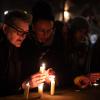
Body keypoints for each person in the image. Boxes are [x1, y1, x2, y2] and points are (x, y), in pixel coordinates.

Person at [0, 10, 50, 96]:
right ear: (5, 28)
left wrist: (41, 78)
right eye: (19, 31)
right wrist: (22, 85)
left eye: (25, 33)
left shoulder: (19, 48)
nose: (23, 37)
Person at [21, 1, 65, 89]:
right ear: (33, 27)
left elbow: (64, 71)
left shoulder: (58, 42)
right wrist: (25, 83)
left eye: (49, 30)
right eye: (42, 31)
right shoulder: (22, 42)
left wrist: (53, 77)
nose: (46, 35)